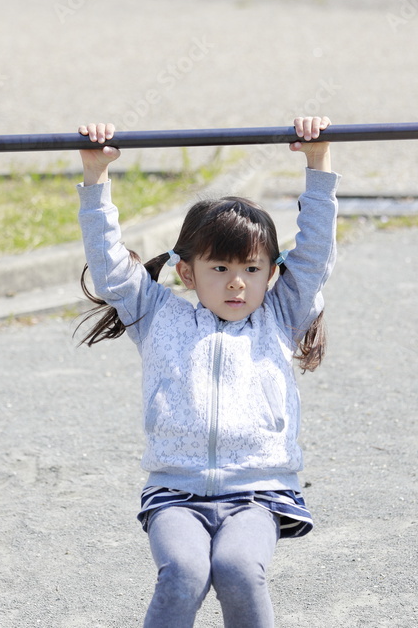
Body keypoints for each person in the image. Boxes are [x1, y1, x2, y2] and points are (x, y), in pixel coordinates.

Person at [75, 117, 339, 628]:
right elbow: (109, 267)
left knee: (238, 567)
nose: (237, 283)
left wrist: (318, 161)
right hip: (176, 492)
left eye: (252, 269)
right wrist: (96, 176)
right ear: (187, 272)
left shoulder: (278, 317)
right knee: (184, 571)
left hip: (258, 491)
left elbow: (314, 256)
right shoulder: (158, 316)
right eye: (220, 268)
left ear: (270, 273)